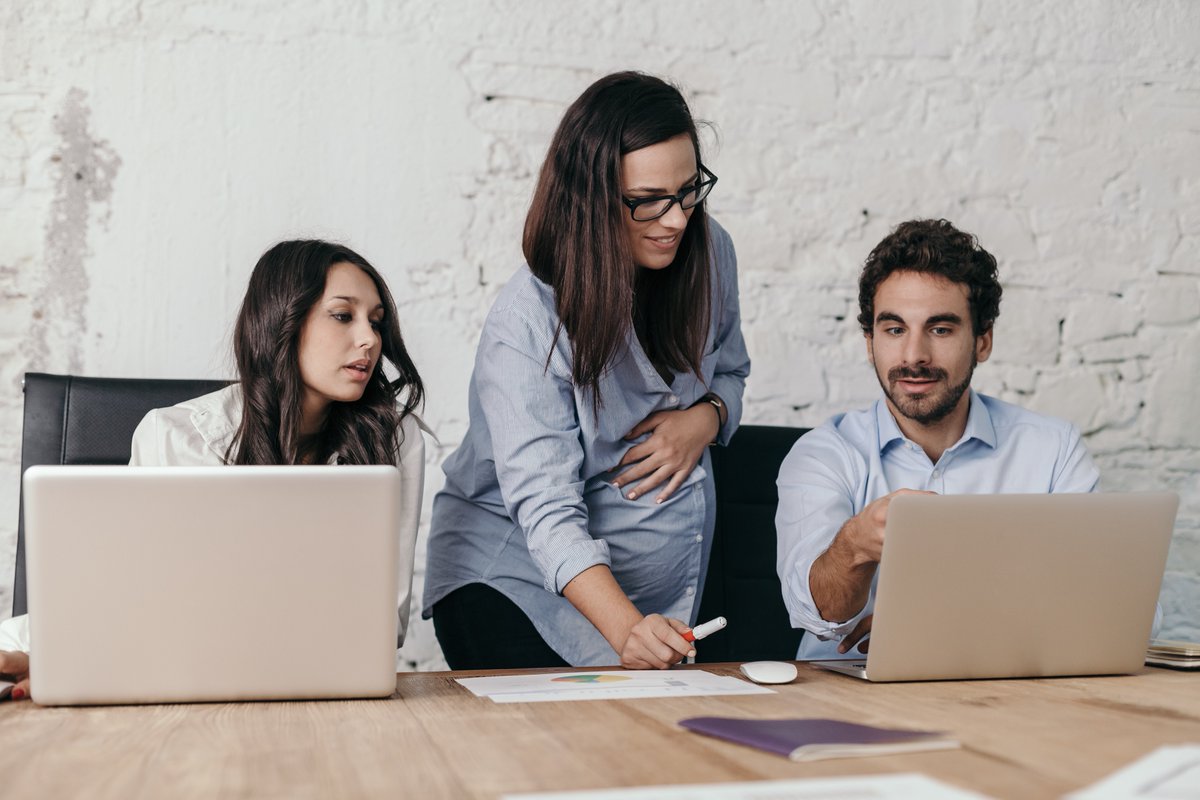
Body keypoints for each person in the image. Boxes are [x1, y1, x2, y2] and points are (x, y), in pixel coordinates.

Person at [0, 239, 427, 699]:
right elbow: (146, 606)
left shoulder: (393, 438)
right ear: (281, 320)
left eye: (376, 322)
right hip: (175, 682)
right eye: (343, 315)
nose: (369, 339)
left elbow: (383, 626)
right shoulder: (175, 437)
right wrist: (72, 655)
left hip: (326, 690)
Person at [422, 72, 750, 670]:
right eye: (648, 199)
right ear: (591, 199)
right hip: (515, 585)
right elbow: (547, 511)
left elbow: (731, 373)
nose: (675, 219)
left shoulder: (710, 250)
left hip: (652, 601)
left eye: (688, 190)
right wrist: (628, 632)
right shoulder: (525, 325)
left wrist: (705, 419)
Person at [776, 218, 1132, 660]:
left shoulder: (1052, 450)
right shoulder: (823, 454)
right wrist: (855, 544)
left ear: (982, 341)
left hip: (1007, 703)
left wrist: (947, 628)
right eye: (894, 329)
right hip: (851, 705)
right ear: (869, 342)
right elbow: (816, 614)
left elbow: (1121, 609)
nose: (913, 356)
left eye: (940, 329)